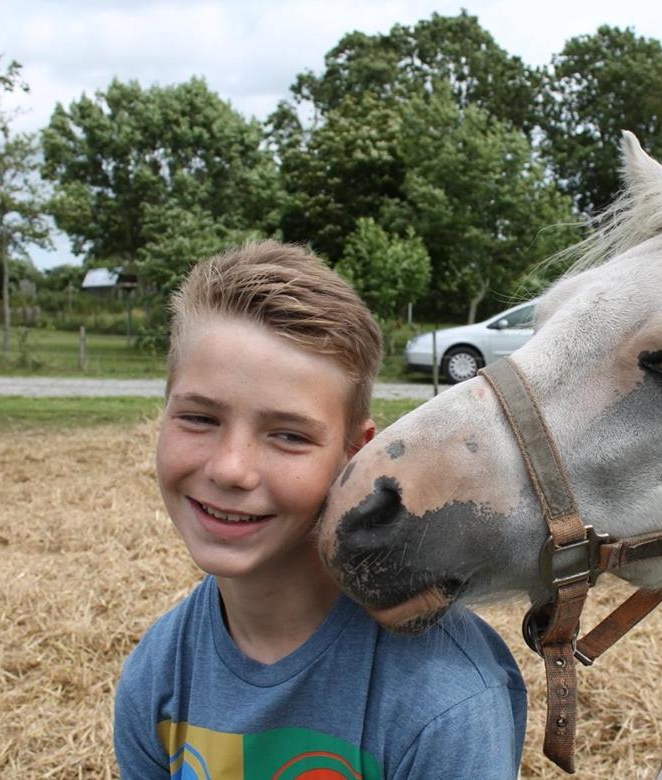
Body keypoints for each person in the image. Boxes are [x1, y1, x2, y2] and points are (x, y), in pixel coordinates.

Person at [114, 240, 528, 779]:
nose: (230, 469)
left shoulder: (445, 703)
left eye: (288, 435)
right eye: (199, 418)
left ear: (356, 454)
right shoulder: (159, 673)